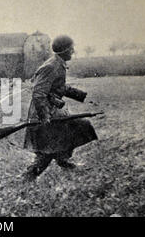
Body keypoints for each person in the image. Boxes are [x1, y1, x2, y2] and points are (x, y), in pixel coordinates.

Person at [22, 35, 98, 182]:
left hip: (53, 111)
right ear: (64, 50)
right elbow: (38, 94)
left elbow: (59, 87)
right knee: (48, 150)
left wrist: (80, 95)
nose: (73, 51)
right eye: (71, 49)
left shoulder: (58, 63)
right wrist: (45, 117)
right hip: (44, 114)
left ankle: (63, 159)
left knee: (77, 128)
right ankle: (29, 176)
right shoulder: (51, 66)